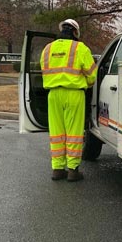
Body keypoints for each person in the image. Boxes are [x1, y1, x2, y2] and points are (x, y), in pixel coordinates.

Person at [40, 19, 98, 182]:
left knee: (57, 133)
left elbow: (43, 70)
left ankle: (57, 169)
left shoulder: (47, 49)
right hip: (74, 94)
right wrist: (86, 84)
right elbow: (92, 75)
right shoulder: (80, 48)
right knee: (74, 133)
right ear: (75, 32)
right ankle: (73, 170)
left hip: (53, 95)